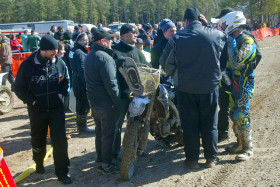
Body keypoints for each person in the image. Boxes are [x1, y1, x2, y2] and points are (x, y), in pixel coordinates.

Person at [160, 7, 226, 169]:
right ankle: (211, 158)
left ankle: (192, 160)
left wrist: (176, 74)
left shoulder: (176, 38)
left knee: (190, 125)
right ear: (200, 19)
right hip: (210, 87)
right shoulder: (215, 34)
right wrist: (208, 25)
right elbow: (224, 51)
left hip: (186, 88)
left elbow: (165, 63)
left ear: (186, 21)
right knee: (210, 124)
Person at [13, 35, 72, 184]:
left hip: (56, 109)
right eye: (52, 51)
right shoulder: (27, 65)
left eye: (56, 50)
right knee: (38, 139)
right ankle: (39, 162)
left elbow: (66, 81)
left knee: (60, 141)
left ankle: (62, 172)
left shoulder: (59, 63)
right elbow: (18, 87)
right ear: (42, 50)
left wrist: (62, 93)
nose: (55, 53)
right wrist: (32, 101)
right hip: (37, 110)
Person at [218, 11, 257, 161]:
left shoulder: (247, 41)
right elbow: (226, 65)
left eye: (224, 24)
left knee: (241, 114)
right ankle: (240, 143)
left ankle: (248, 148)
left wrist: (231, 44)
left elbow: (236, 62)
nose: (222, 27)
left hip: (245, 83)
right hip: (233, 82)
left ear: (232, 24)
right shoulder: (231, 40)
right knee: (233, 112)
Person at [84, 29, 120, 174]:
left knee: (100, 132)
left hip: (94, 101)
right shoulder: (105, 58)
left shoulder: (90, 55)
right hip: (105, 102)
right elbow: (112, 84)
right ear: (102, 41)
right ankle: (106, 164)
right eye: (110, 39)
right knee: (108, 134)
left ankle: (100, 160)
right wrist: (117, 101)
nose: (112, 42)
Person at [112, 24, 149, 162]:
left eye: (136, 32)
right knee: (117, 125)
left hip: (138, 96)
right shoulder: (115, 51)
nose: (136, 35)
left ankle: (137, 148)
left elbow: (147, 69)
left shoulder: (138, 52)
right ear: (123, 35)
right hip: (122, 95)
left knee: (138, 122)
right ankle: (115, 154)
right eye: (133, 33)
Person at [69, 33, 94, 134]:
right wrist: (87, 84)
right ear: (78, 41)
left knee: (80, 103)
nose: (86, 41)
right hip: (80, 81)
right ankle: (82, 127)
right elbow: (83, 69)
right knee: (83, 104)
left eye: (87, 39)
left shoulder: (73, 50)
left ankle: (81, 126)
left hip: (76, 79)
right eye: (84, 40)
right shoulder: (79, 52)